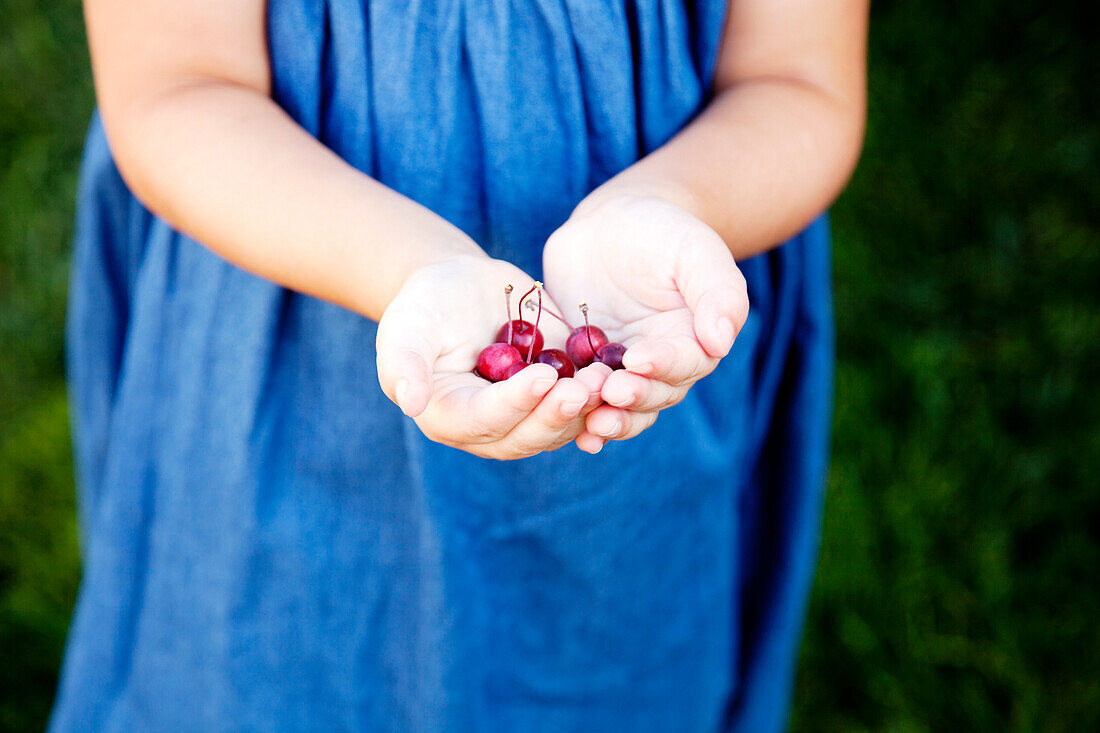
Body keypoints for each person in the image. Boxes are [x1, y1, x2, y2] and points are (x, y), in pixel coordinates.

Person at [54, 0, 867, 730]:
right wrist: (407, 266)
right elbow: (178, 86)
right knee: (269, 664)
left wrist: (676, 204)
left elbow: (794, 80)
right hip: (289, 360)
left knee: (613, 662)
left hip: (639, 414)